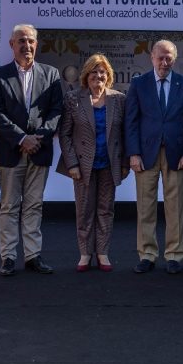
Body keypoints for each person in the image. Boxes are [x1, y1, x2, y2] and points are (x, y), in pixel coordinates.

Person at [0, 24, 63, 276]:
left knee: (34, 205)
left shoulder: (51, 74)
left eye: (30, 41)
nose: (26, 45)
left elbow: (56, 111)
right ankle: (8, 257)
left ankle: (32, 256)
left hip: (39, 150)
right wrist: (21, 139)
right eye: (21, 41)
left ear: (36, 44)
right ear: (12, 44)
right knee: (9, 206)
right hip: (10, 151)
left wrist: (38, 137)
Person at [125, 40, 183, 275]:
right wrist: (133, 153)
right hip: (145, 154)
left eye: (169, 58)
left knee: (175, 207)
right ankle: (147, 254)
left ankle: (174, 255)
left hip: (177, 155)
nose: (164, 62)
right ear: (152, 57)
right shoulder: (139, 84)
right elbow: (131, 122)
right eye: (160, 57)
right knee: (145, 206)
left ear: (174, 59)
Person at [56, 54, 128, 272]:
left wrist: (125, 163)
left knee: (106, 210)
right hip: (82, 166)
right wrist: (72, 164)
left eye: (102, 72)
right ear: (86, 76)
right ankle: (85, 254)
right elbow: (65, 134)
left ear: (109, 75)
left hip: (109, 164)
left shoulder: (119, 99)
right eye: (94, 72)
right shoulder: (73, 98)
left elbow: (126, 133)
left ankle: (103, 253)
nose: (98, 76)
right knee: (84, 210)